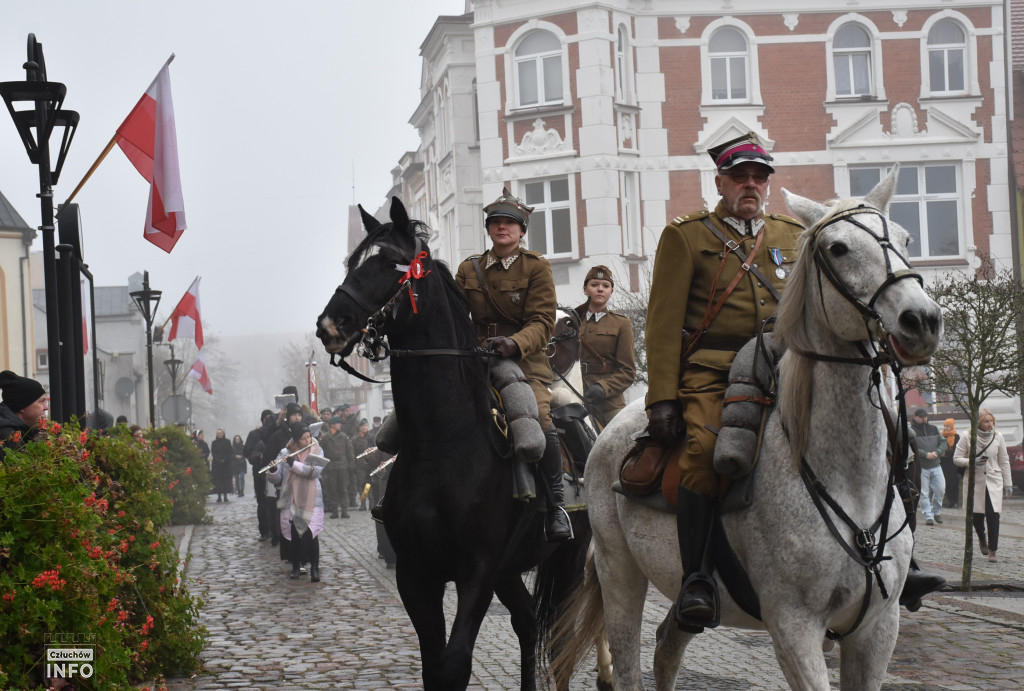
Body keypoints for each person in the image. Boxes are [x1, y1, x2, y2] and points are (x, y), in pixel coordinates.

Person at [455, 187, 572, 542]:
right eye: (495, 222)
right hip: (475, 359)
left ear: (521, 231)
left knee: (537, 416)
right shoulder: (468, 269)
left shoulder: (536, 267)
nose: (502, 227)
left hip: (524, 362)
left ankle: (557, 505)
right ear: (488, 229)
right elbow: (458, 318)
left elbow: (542, 321)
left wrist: (515, 343)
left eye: (510, 223)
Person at [572, 265, 636, 427]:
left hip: (608, 404)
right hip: (572, 397)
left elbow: (627, 371)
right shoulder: (570, 321)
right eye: (594, 285)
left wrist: (603, 387)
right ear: (585, 290)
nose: (600, 289)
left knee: (624, 441)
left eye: (605, 286)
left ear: (611, 292)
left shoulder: (622, 323)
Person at [266, 422, 327, 582]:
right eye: (304, 438)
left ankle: (314, 567)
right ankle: (295, 566)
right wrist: (272, 470)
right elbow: (278, 478)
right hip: (291, 497)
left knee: (311, 534)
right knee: (294, 535)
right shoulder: (285, 452)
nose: (308, 441)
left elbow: (314, 472)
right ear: (296, 440)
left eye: (309, 437)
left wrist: (294, 464)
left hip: (311, 496)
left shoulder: (316, 450)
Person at [954, 408, 1013, 563]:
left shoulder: (998, 437)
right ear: (978, 422)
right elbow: (956, 458)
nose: (990, 424)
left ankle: (993, 550)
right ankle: (982, 538)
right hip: (975, 482)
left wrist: (1008, 484)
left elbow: (1004, 461)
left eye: (991, 421)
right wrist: (971, 461)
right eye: (986, 421)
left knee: (994, 516)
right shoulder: (967, 437)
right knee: (977, 517)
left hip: (994, 481)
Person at [0, 370, 48, 460]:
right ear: (22, 405)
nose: (46, 408)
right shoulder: (6, 434)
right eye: (41, 401)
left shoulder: (29, 430)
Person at [244, 409, 276, 541]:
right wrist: (260, 456)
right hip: (260, 471)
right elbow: (248, 452)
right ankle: (264, 530)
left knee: (274, 502)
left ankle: (275, 529)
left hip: (274, 471)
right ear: (263, 420)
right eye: (267, 419)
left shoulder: (276, 433)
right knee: (262, 502)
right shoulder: (255, 434)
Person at [911, 408, 946, 525]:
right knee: (924, 492)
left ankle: (937, 511)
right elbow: (912, 447)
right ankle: (928, 515)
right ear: (915, 417)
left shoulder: (934, 429)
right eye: (921, 417)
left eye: (925, 416)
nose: (924, 419)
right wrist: (925, 454)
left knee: (940, 489)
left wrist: (937, 452)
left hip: (936, 464)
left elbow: (943, 442)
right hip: (921, 466)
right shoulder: (912, 431)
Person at [319, 415, 353, 519]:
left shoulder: (344, 437)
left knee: (343, 489)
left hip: (343, 467)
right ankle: (334, 511)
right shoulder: (325, 438)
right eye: (338, 423)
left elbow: (350, 451)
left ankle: (344, 510)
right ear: (332, 425)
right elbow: (321, 452)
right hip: (331, 468)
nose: (340, 425)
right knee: (332, 490)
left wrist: (351, 466)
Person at [940, 418, 962, 509]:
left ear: (951, 426)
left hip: (953, 463)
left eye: (947, 426)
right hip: (944, 463)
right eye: (945, 426)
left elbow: (957, 449)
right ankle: (950, 501)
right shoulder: (942, 436)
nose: (945, 428)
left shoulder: (956, 436)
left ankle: (955, 501)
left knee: (954, 483)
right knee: (947, 483)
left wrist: (947, 453)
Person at [210, 429, 234, 503]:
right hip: (217, 465)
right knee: (218, 481)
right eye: (218, 433)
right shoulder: (214, 443)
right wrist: (218, 460)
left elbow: (230, 452)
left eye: (221, 433)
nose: (219, 434)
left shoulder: (227, 442)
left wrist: (224, 459)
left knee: (226, 481)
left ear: (223, 434)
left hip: (226, 465)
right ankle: (219, 496)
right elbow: (213, 453)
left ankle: (225, 496)